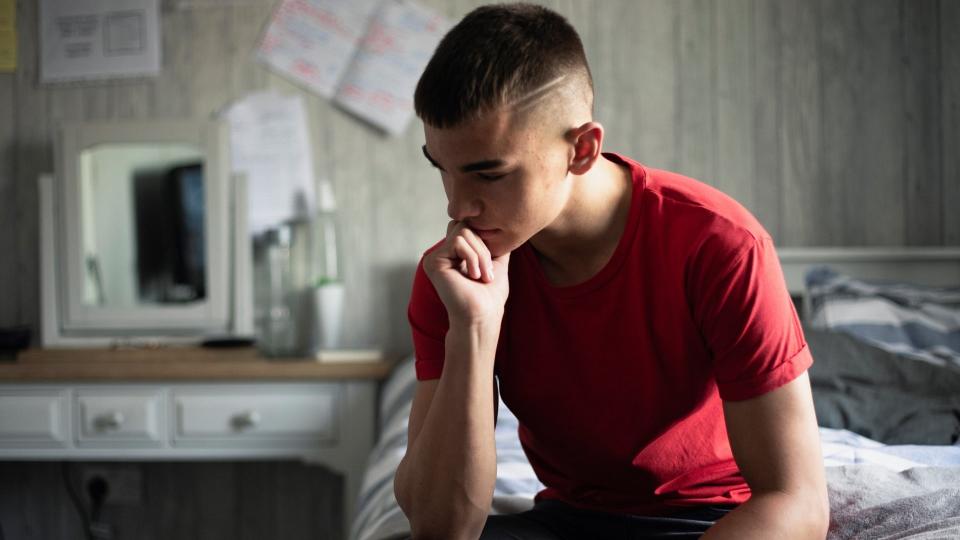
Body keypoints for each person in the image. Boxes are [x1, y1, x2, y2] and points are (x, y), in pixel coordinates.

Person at [393, 4, 829, 540]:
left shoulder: (720, 247)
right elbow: (441, 528)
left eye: (489, 174)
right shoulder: (454, 278)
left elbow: (797, 501)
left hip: (710, 523)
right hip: (565, 521)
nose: (458, 207)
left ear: (581, 150)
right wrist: (474, 329)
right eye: (443, 170)